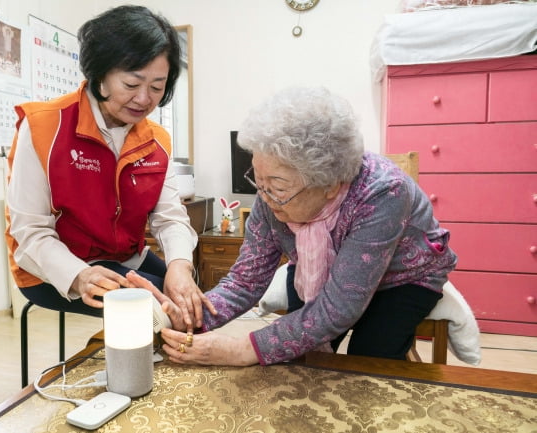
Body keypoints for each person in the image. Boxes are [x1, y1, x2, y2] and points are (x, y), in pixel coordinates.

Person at [131, 86, 458, 366]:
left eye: (277, 185)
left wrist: (243, 349)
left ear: (329, 184)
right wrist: (188, 318)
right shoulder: (271, 195)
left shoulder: (384, 191)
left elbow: (338, 309)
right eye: (258, 180)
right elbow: (245, 281)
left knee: (368, 358)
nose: (265, 196)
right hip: (322, 274)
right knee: (298, 358)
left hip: (402, 277)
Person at [5, 5, 214, 330]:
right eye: (132, 85)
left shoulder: (156, 140)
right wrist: (79, 275)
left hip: (125, 259)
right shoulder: (44, 126)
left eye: (157, 87)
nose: (144, 99)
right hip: (55, 268)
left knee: (193, 303)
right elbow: (30, 233)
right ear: (100, 73)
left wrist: (180, 266)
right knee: (164, 314)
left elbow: (170, 218)